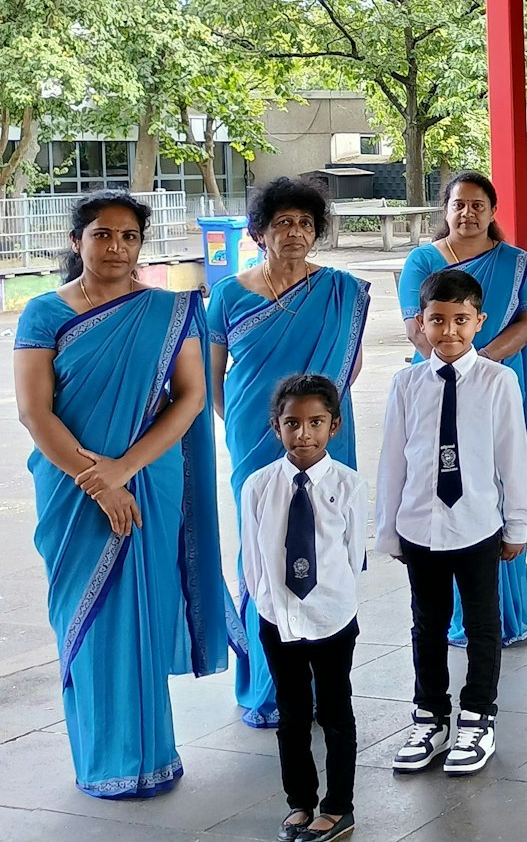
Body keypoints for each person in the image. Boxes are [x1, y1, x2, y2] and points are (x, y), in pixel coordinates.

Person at [15, 191, 235, 798]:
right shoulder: (42, 313)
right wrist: (98, 482)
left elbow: (190, 397)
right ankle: (103, 760)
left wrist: (124, 470)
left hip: (149, 480)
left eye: (129, 236)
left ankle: (151, 756)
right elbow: (36, 412)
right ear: (76, 241)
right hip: (69, 490)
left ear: (142, 243)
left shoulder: (167, 310)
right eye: (102, 235)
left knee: (142, 609)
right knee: (83, 616)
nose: (116, 247)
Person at [208, 177, 371, 727]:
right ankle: (267, 682)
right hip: (256, 440)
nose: (295, 232)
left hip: (324, 438)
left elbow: (353, 366)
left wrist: (316, 426)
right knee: (261, 551)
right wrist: (246, 430)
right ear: (259, 231)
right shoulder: (230, 294)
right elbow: (213, 377)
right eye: (283, 223)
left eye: (305, 223)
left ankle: (326, 680)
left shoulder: (340, 291)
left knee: (325, 543)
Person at [376, 268, 527, 777]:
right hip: (420, 525)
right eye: (437, 320)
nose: (448, 332)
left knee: (484, 626)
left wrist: (517, 525)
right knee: (428, 624)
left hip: (477, 525)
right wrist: (388, 527)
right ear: (420, 322)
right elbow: (393, 460)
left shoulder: (498, 380)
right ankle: (430, 716)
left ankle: (478, 717)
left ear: (479, 322)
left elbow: (513, 456)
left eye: (460, 320)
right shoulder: (406, 384)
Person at [399, 171, 527, 648]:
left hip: (497, 382)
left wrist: (481, 363)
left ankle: (504, 614)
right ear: (446, 209)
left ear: (492, 211)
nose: (468, 213)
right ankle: (452, 616)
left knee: (496, 482)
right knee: (447, 479)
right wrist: (458, 363)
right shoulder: (422, 260)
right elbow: (419, 329)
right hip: (439, 384)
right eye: (459, 204)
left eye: (479, 205)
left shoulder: (515, 262)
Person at [239, 374, 368, 842]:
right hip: (278, 620)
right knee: (292, 715)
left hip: (332, 617)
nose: (304, 434)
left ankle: (338, 806)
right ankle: (300, 802)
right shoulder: (258, 486)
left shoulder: (348, 484)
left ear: (334, 425)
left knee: (336, 712)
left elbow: (353, 554)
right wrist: (270, 607)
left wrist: (328, 598)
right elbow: (253, 558)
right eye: (292, 423)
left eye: (315, 422)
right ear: (277, 427)